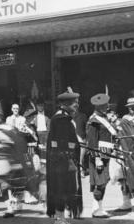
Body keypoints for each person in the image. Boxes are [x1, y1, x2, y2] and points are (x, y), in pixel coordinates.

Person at [46, 89, 82, 224]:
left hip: (61, 159)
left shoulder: (63, 117)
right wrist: (71, 154)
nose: (76, 105)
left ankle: (58, 216)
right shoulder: (61, 119)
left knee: (61, 187)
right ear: (65, 105)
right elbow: (63, 142)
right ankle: (59, 218)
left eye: (77, 103)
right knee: (61, 188)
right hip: (62, 160)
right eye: (74, 103)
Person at [86, 93, 115, 218]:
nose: (107, 107)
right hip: (98, 156)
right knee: (100, 182)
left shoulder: (103, 117)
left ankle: (98, 207)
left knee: (103, 180)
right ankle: (96, 209)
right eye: (105, 105)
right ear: (99, 107)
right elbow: (92, 141)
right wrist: (97, 158)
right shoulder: (94, 120)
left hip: (106, 154)